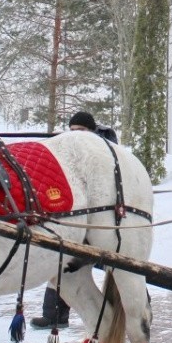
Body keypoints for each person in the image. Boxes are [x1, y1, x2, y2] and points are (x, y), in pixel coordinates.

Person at [32, 109, 121, 329]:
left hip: (102, 223)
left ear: (91, 130)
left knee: (122, 271)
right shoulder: (70, 152)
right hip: (77, 219)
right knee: (62, 265)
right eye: (72, 130)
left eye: (80, 130)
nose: (75, 134)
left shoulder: (105, 152)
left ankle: (137, 307)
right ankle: (54, 315)